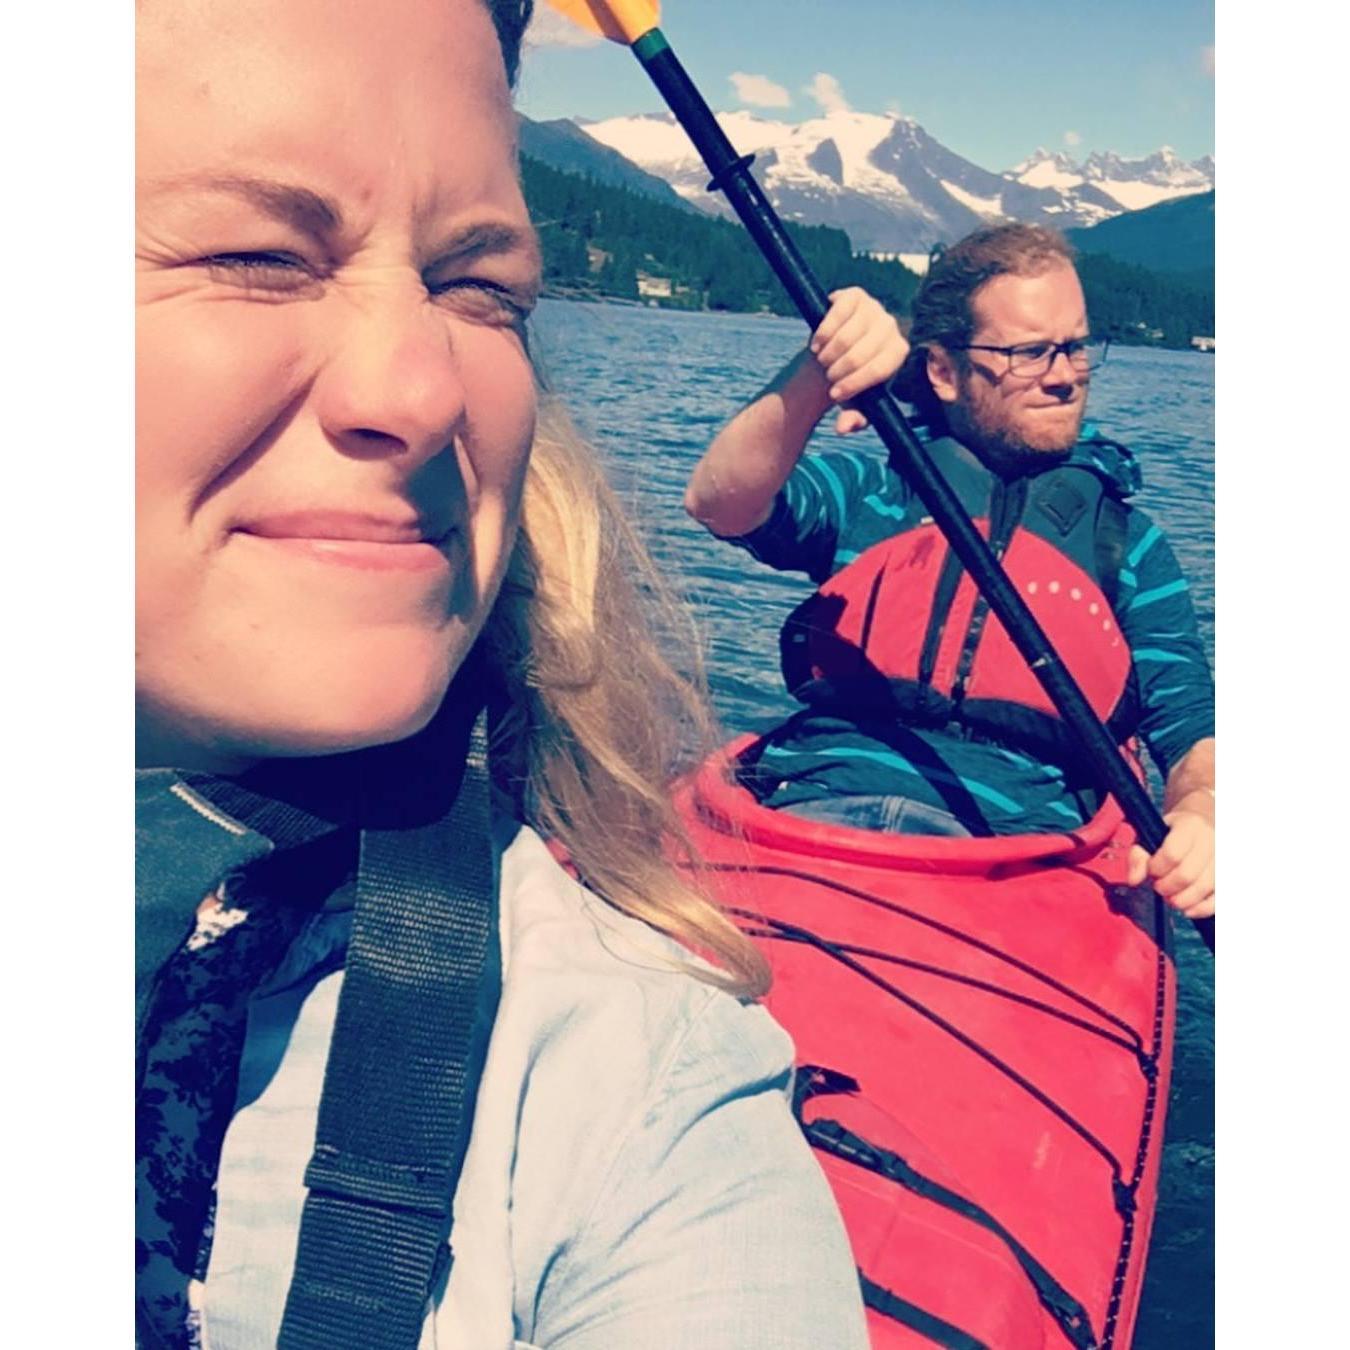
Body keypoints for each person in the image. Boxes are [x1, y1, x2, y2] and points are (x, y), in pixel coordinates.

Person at [135, 2, 871, 1347]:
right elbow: (739, 504)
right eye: (254, 253)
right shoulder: (877, 476)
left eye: (483, 293)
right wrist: (809, 389)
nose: (426, 389)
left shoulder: (631, 1092)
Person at [684, 224, 1214, 921]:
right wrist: (823, 367)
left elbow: (1191, 731)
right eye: (1028, 353)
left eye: (1076, 347)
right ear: (942, 372)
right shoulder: (876, 491)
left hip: (1014, 857)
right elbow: (720, 501)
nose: (1062, 376)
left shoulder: (1129, 546)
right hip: (814, 810)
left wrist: (1203, 813)